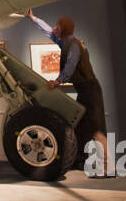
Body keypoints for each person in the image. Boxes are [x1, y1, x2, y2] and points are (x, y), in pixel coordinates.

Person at [27, 9, 112, 177]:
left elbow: (70, 67)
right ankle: (80, 161)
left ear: (63, 29)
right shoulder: (65, 43)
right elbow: (48, 32)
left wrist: (57, 81)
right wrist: (33, 18)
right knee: (81, 126)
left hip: (90, 90)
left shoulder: (73, 46)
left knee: (96, 128)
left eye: (57, 25)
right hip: (85, 90)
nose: (54, 27)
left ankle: (108, 167)